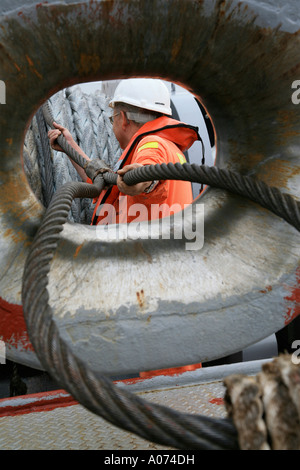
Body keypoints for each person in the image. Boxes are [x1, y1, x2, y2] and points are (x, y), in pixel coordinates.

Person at [48, 78, 201, 225]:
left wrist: (144, 180)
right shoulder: (172, 149)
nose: (112, 124)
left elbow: (148, 170)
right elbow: (107, 186)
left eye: (112, 119)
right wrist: (70, 146)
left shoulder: (152, 144)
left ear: (123, 118)